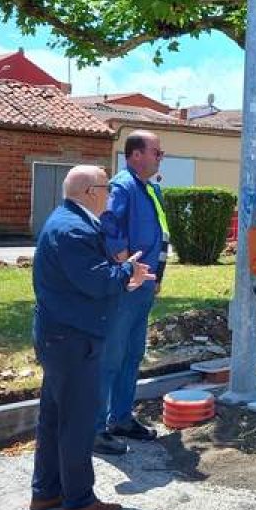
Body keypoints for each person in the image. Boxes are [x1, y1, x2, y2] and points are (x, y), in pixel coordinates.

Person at [30, 165, 153, 510]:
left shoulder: (70, 222)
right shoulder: (73, 229)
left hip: (61, 336)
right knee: (77, 422)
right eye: (107, 188)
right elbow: (96, 281)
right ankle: (79, 500)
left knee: (54, 418)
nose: (112, 196)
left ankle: (47, 492)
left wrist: (122, 275)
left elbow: (86, 279)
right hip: (72, 339)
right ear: (90, 192)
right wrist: (128, 272)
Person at [96, 130, 169, 452]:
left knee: (132, 354)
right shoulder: (122, 186)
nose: (160, 157)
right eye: (156, 152)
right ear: (135, 155)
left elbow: (161, 235)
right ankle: (97, 427)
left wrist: (158, 277)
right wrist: (126, 265)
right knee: (112, 355)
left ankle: (121, 417)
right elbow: (109, 224)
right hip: (127, 285)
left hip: (145, 285)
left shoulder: (150, 190)